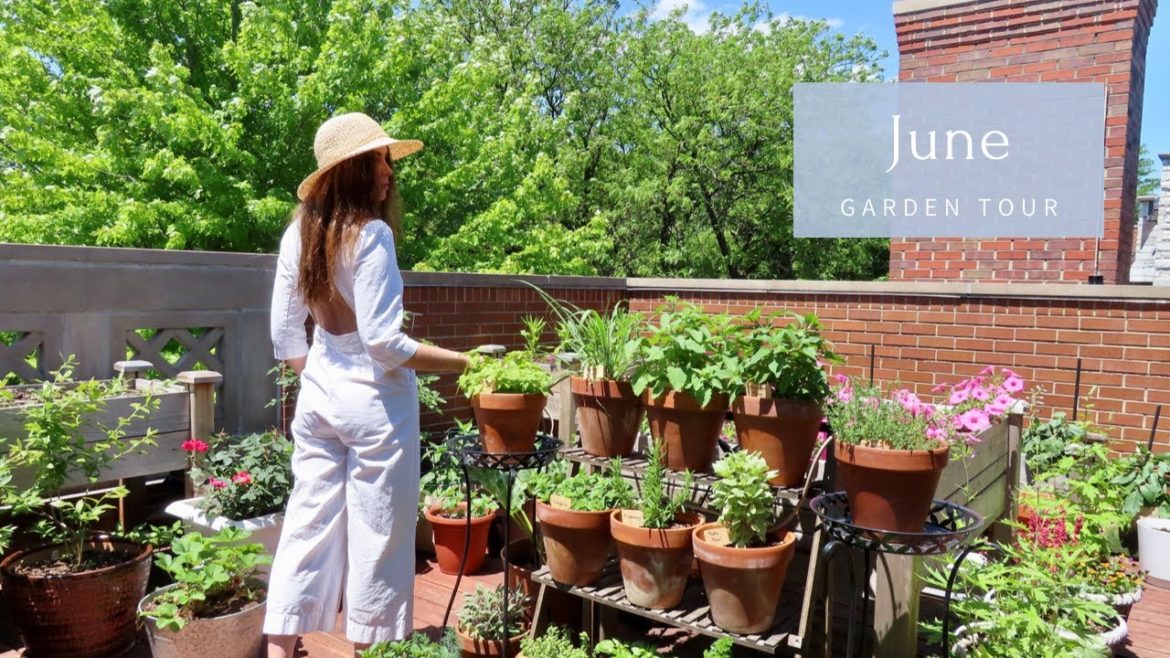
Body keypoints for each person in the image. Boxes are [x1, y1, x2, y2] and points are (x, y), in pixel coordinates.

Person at [266, 112, 469, 658]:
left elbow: (286, 336)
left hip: (318, 399)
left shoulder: (298, 235)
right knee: (378, 538)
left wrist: (325, 378)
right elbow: (384, 343)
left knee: (306, 528)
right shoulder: (371, 235)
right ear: (352, 169)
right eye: (379, 159)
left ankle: (279, 652)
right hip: (377, 406)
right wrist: (464, 364)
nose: (389, 172)